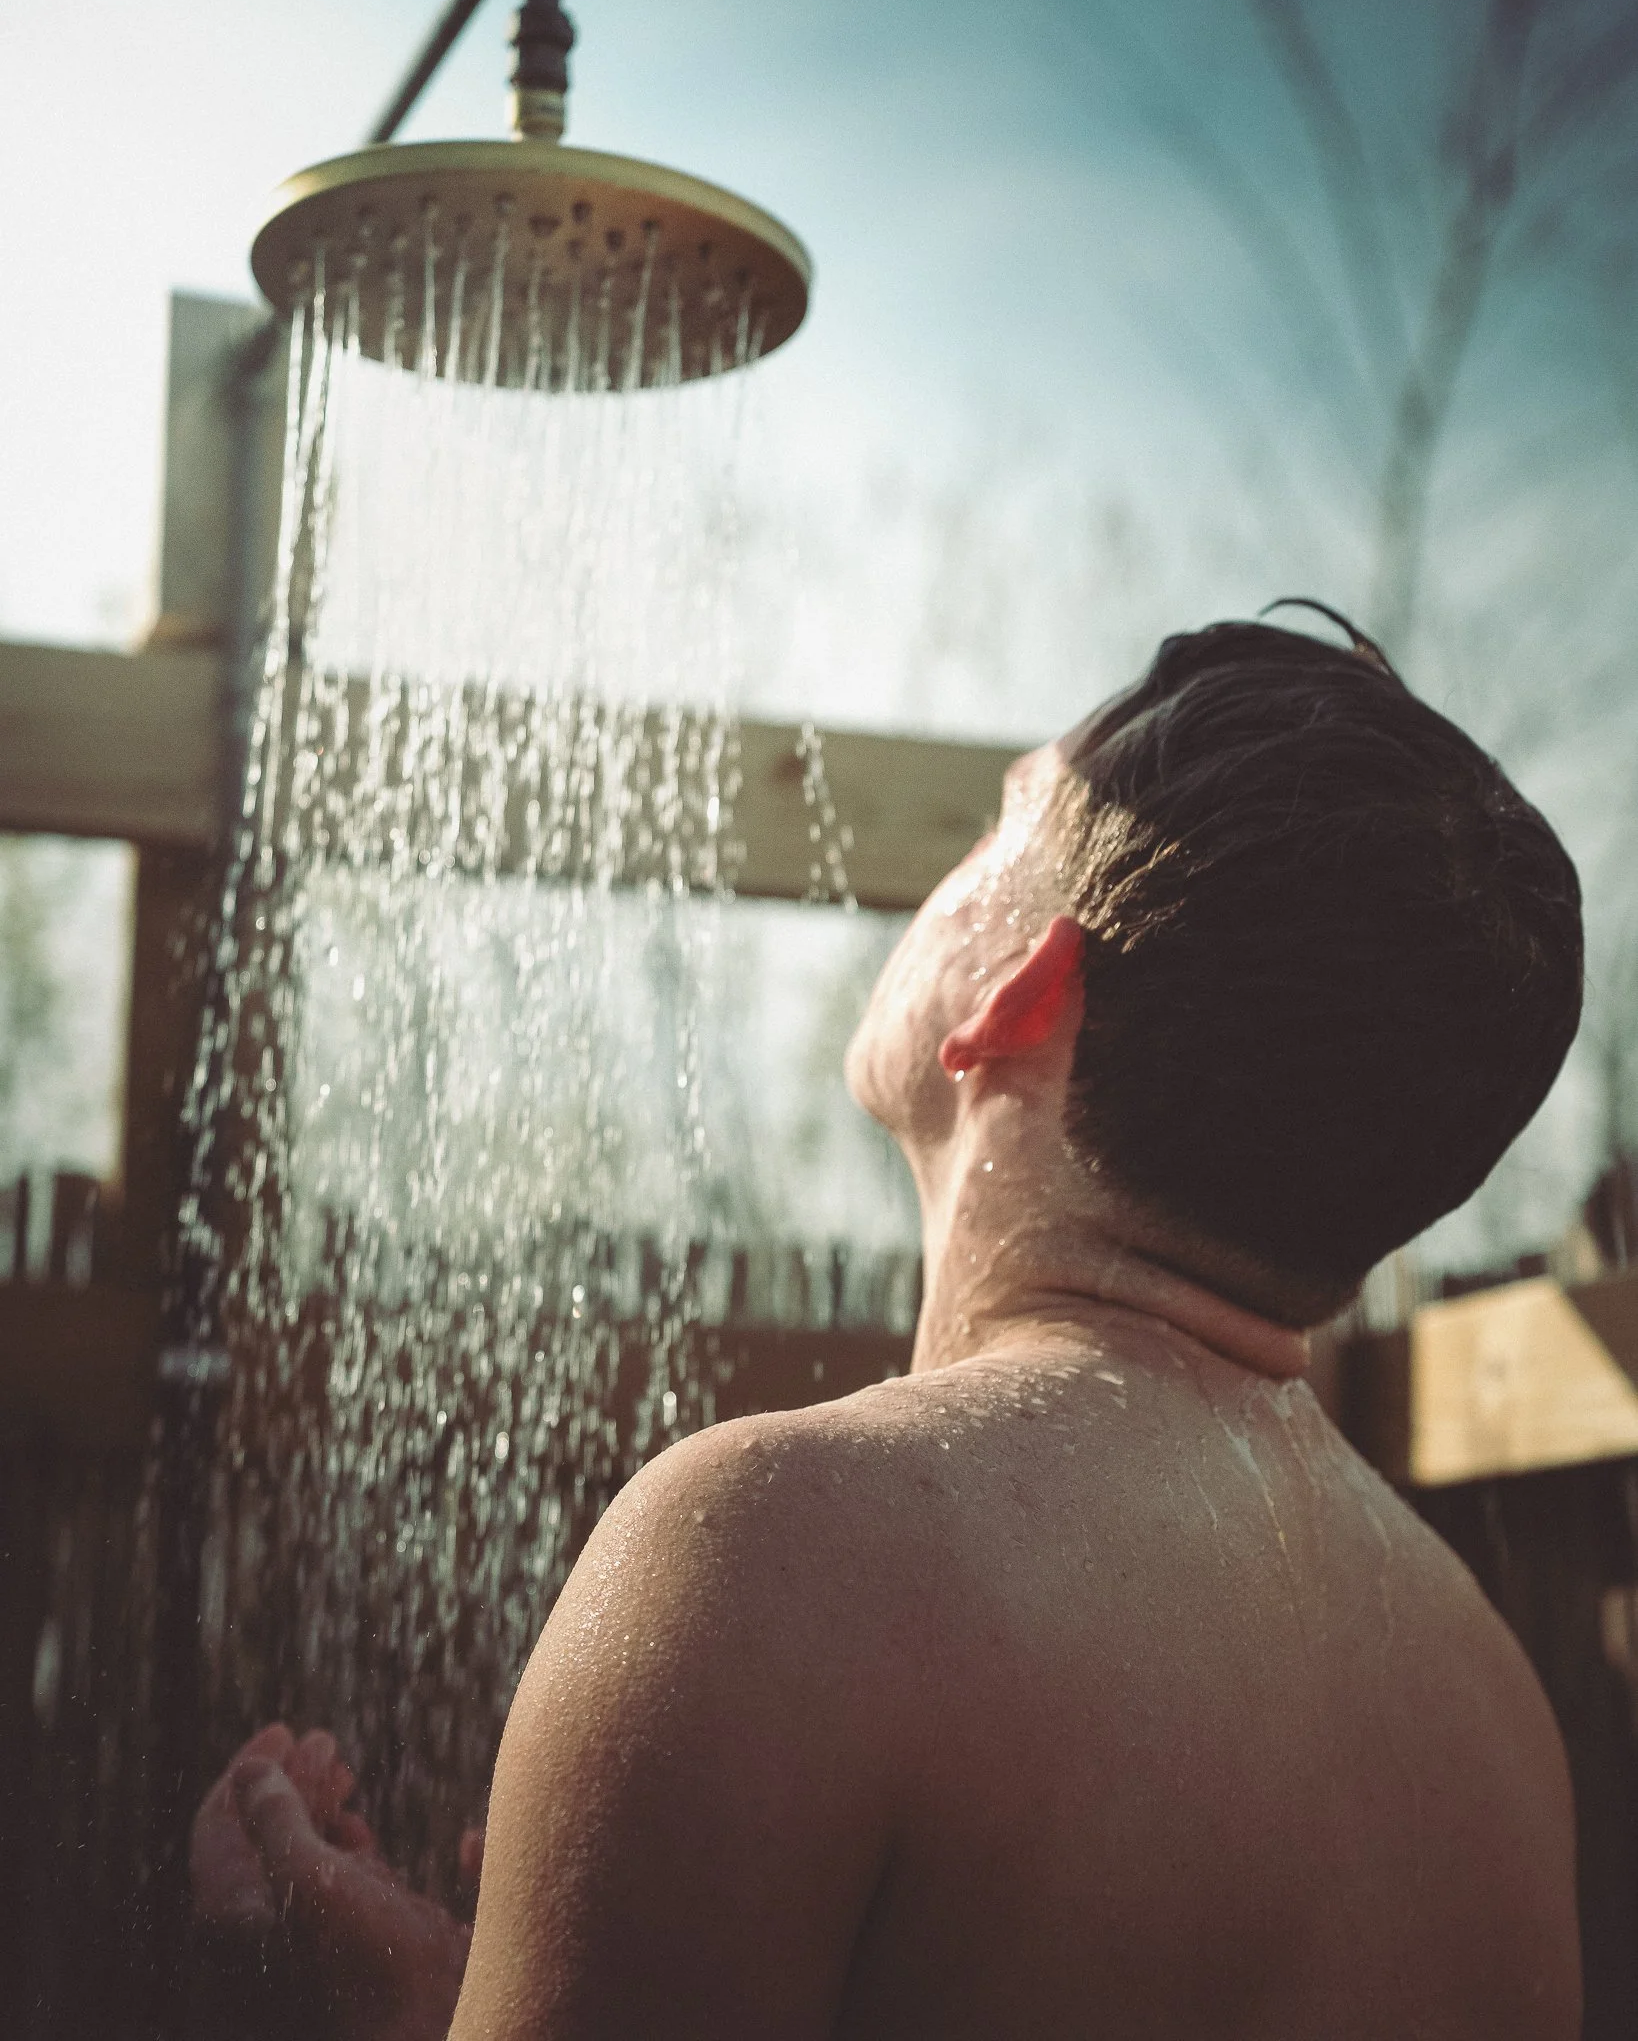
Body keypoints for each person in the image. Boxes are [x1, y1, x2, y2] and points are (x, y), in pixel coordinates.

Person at [194, 611, 1587, 2039]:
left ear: (1017, 993)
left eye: (997, 828)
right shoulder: (1490, 1704)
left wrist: (386, 2012)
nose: (938, 881)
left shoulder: (775, 1558)